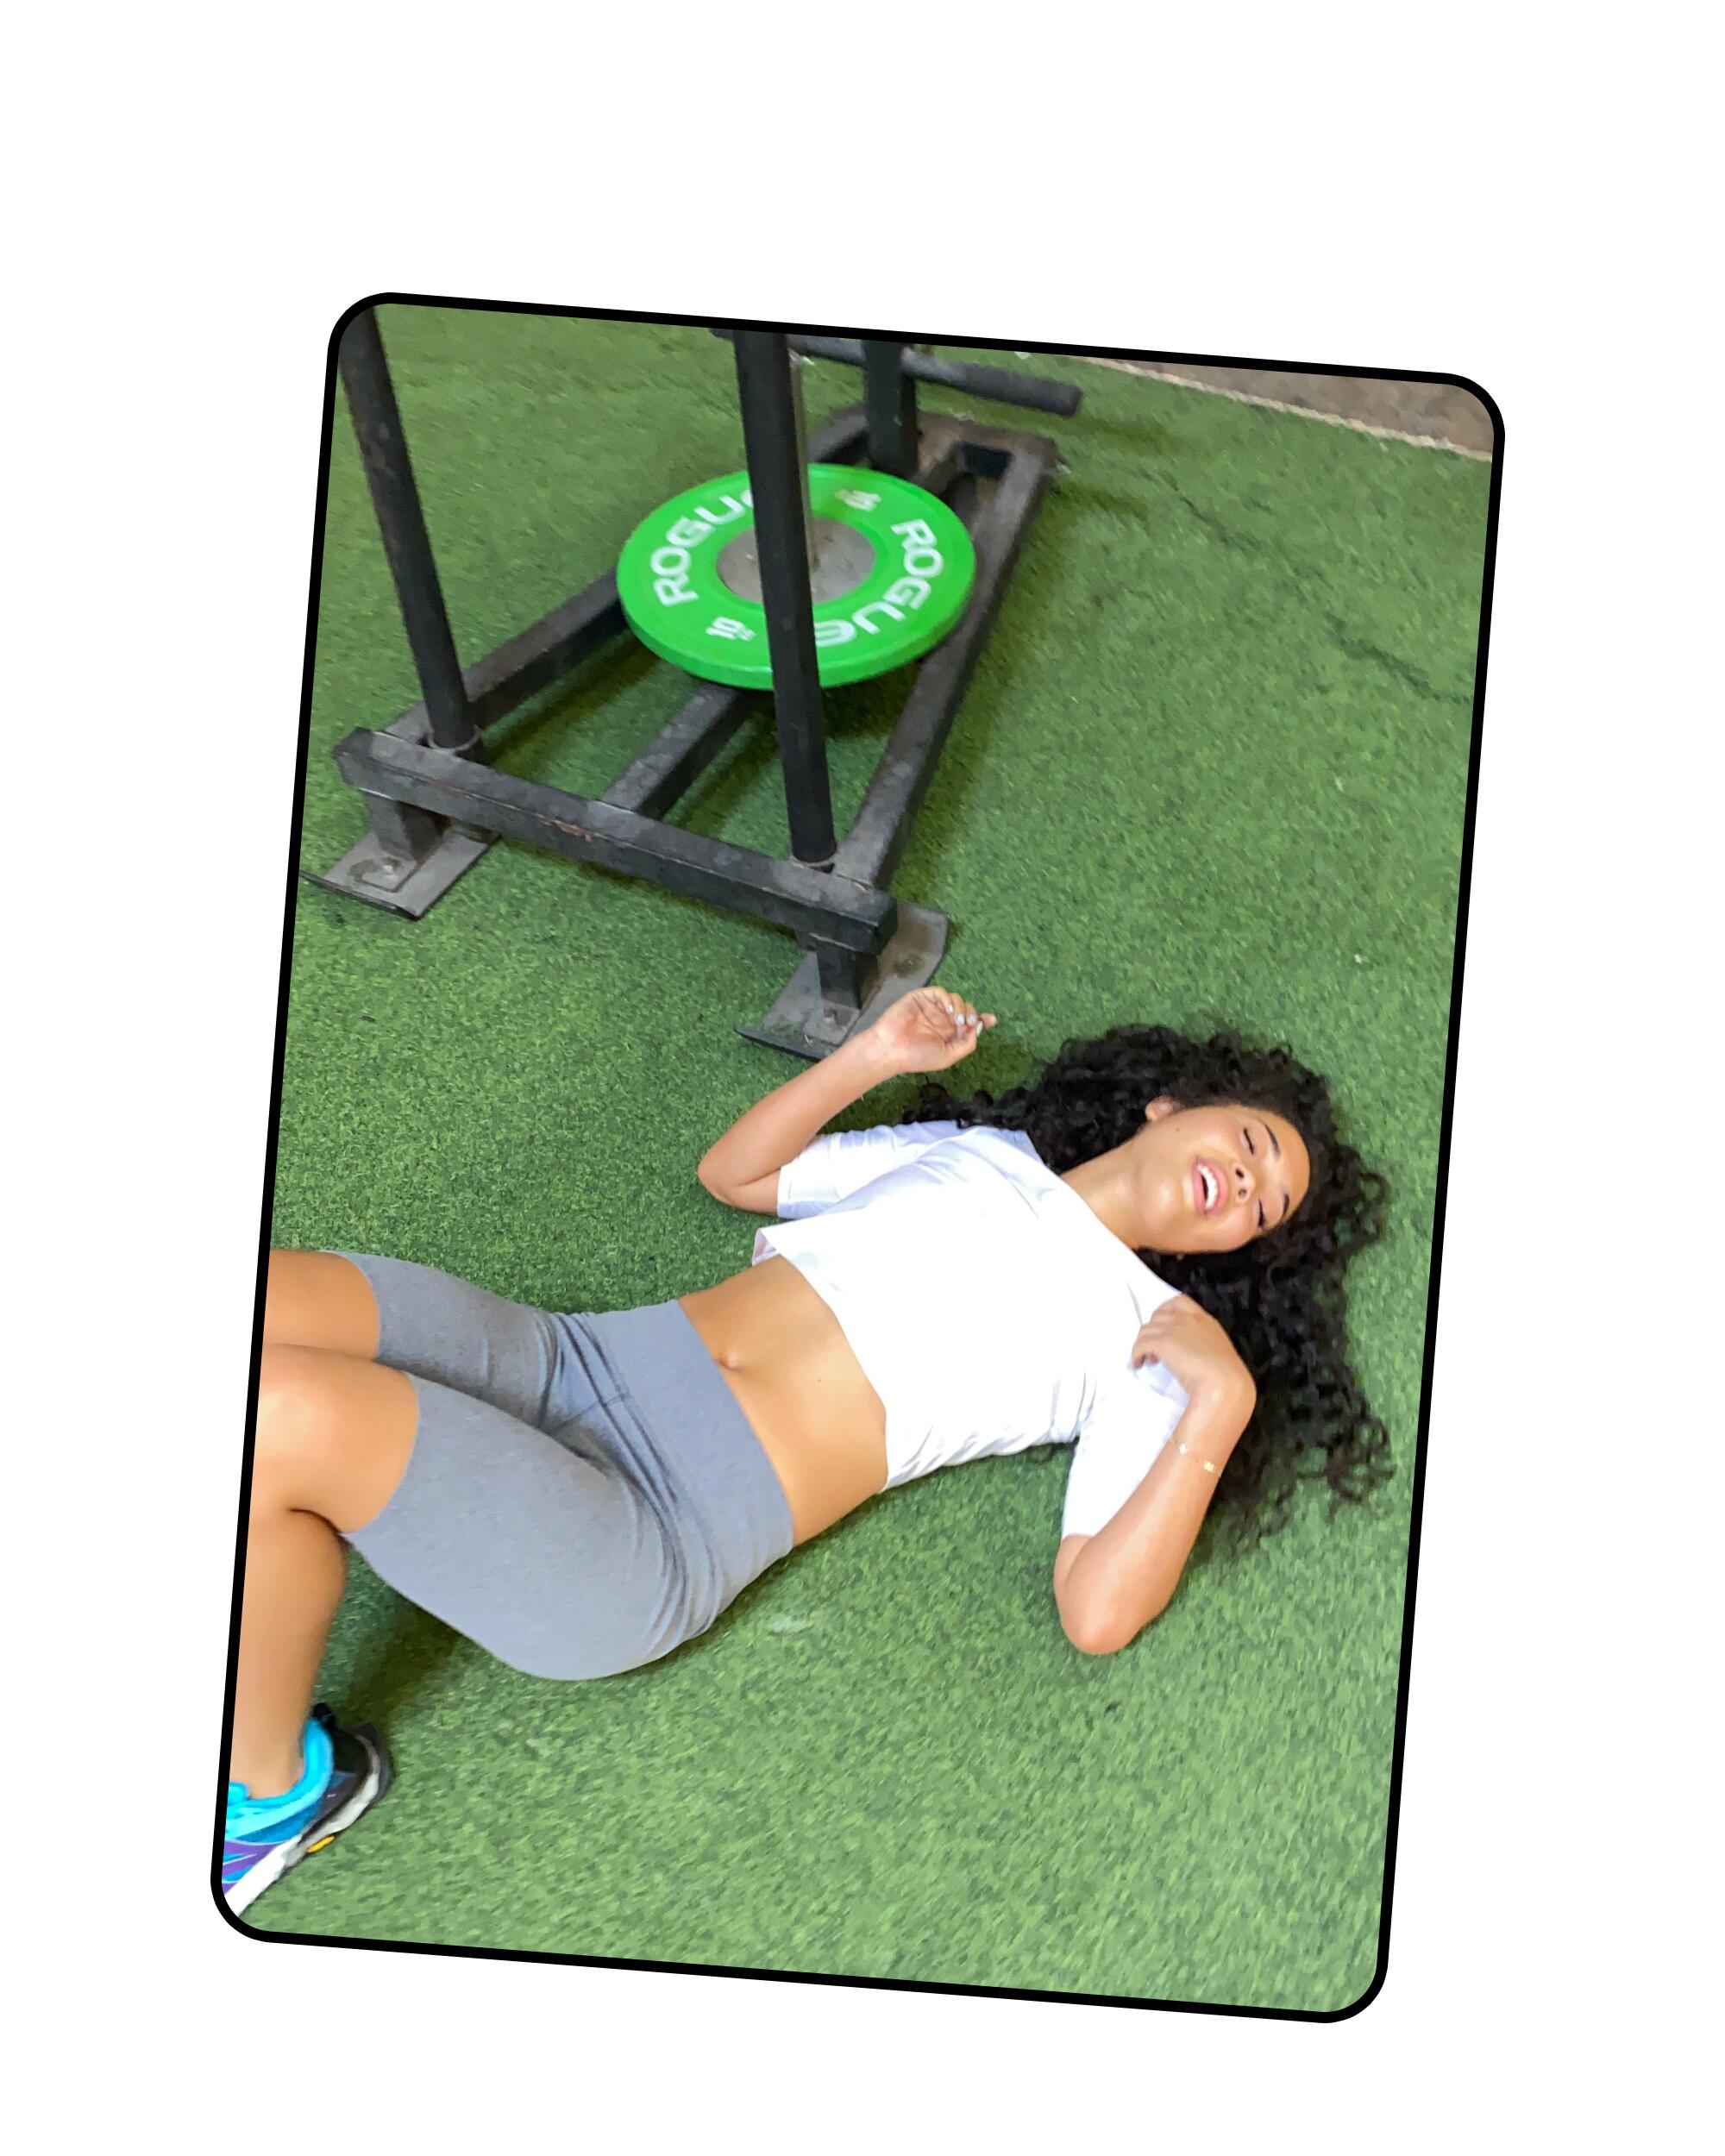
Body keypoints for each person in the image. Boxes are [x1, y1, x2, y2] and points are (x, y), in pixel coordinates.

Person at [221, 988, 1389, 1915]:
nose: (1244, 1181)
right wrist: (873, 1056)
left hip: (652, 1532)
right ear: (1169, 1107)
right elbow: (735, 1177)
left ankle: (279, 1797)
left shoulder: (1154, 1342)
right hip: (567, 1362)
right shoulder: (982, 1150)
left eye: (1264, 1205)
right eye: (1248, 1145)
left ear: (1238, 1250)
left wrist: (1218, 1407)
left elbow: (1098, 1611)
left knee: (284, 1416)